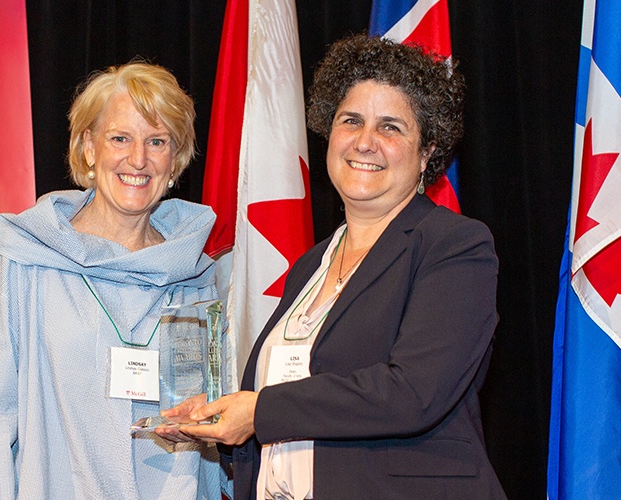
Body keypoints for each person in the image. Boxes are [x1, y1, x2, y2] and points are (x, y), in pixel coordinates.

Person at [161, 34, 506, 499]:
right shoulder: (311, 266)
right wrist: (222, 426)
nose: (365, 142)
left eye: (390, 128)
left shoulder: (454, 246)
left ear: (426, 153)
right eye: (351, 120)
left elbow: (413, 393)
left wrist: (258, 412)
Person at [0, 61, 224, 499]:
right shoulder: (22, 263)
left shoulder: (197, 280)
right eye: (120, 138)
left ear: (176, 159)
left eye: (157, 141)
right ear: (89, 147)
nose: (138, 159)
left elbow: (214, 437)